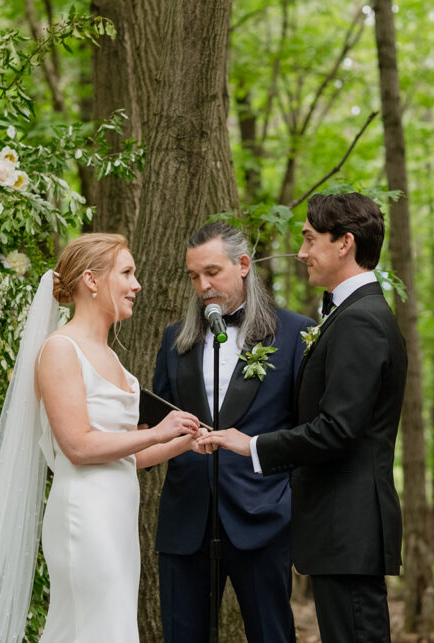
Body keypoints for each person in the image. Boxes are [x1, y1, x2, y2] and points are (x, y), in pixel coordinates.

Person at [0, 233, 202, 643]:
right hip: (84, 516)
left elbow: (124, 458)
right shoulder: (62, 349)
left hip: (117, 516)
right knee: (91, 629)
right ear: (92, 280)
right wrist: (157, 431)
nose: (137, 285)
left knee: (109, 626)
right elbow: (79, 447)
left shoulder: (113, 357)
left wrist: (184, 441)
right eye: (127, 273)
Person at [200, 193, 406, 643]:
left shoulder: (361, 321)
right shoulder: (348, 315)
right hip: (339, 532)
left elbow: (338, 428)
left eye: (310, 240)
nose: (301, 252)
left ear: (345, 243)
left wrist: (251, 444)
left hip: (348, 529)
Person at [152, 222, 312, 643]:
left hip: (263, 520)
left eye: (212, 272)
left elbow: (308, 430)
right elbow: (156, 426)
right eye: (193, 276)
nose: (202, 285)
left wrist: (287, 502)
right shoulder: (174, 340)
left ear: (243, 265)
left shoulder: (296, 334)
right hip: (185, 521)